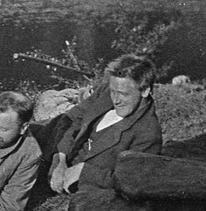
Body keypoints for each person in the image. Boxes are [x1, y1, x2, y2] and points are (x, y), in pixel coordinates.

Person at [47, 54, 161, 194]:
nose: (116, 100)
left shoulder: (148, 134)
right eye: (113, 91)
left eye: (123, 94)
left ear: (145, 91)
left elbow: (132, 181)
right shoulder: (107, 91)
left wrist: (84, 172)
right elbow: (72, 118)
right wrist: (60, 159)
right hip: (52, 152)